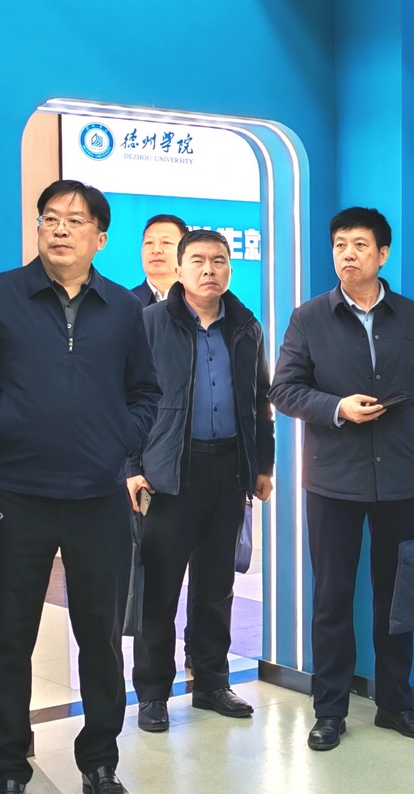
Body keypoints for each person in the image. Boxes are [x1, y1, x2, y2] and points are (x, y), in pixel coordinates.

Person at [0, 179, 161, 794]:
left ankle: (100, 764)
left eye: (75, 219)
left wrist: (118, 442)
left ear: (100, 237)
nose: (60, 228)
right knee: (10, 640)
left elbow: (146, 394)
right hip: (19, 495)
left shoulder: (123, 308)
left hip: (99, 498)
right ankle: (9, 772)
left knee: (100, 640)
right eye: (50, 217)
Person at [269, 207, 414, 752]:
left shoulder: (413, 317)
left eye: (360, 245)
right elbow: (283, 390)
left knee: (396, 597)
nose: (348, 253)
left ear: (382, 254)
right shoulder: (309, 317)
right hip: (332, 480)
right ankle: (330, 711)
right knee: (332, 597)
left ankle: (395, 704)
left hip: (400, 476)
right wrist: (338, 407)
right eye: (340, 244)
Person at [126, 230, 275, 732]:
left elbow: (260, 400)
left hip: (229, 470)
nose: (209, 269)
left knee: (216, 587)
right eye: (198, 261)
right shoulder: (150, 322)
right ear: (180, 268)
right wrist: (131, 467)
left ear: (230, 268)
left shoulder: (246, 326)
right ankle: (152, 693)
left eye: (219, 260)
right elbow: (126, 399)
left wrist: (263, 464)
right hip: (169, 473)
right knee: (160, 588)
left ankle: (211, 682)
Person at [131, 214, 188, 306]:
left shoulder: (201, 303)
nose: (156, 250)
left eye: (166, 242)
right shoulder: (123, 302)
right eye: (149, 242)